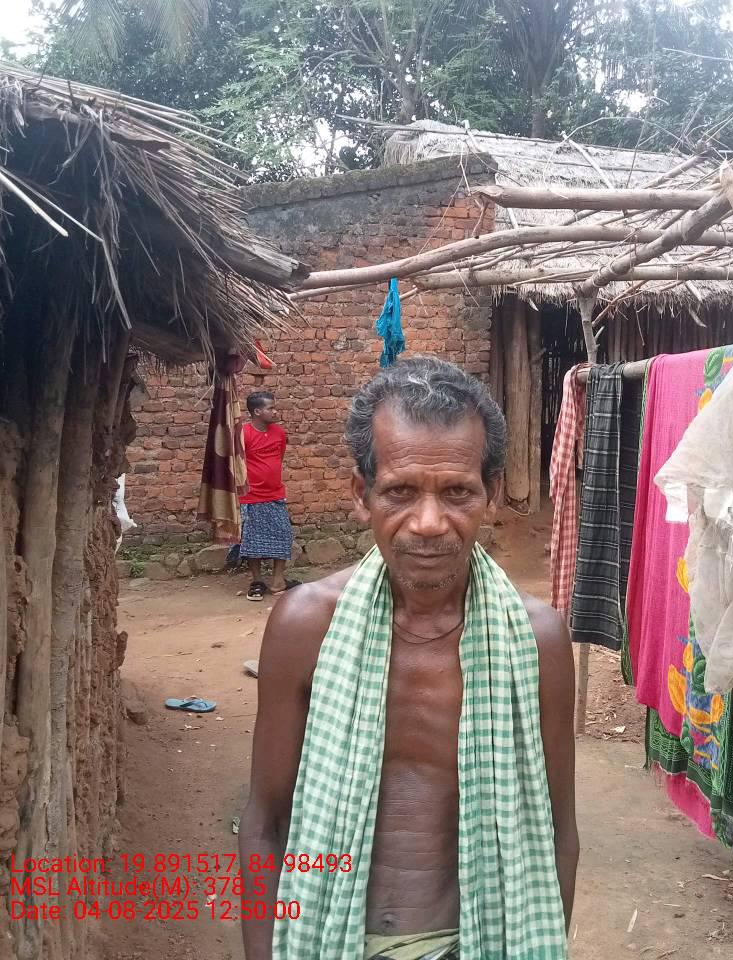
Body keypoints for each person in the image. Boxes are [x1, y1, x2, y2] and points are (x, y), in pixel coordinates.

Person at [240, 358, 578, 960]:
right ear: (361, 494)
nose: (428, 523)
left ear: (490, 494)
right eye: (400, 492)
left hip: (481, 944)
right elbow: (264, 824)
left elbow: (557, 834)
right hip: (327, 941)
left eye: (457, 492)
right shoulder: (305, 627)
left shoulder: (537, 640)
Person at [241, 391, 298, 600]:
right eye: (270, 408)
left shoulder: (279, 433)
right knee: (252, 541)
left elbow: (279, 457)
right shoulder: (243, 434)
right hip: (251, 496)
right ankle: (257, 581)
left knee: (283, 535)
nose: (275, 411)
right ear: (257, 411)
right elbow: (237, 463)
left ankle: (278, 581)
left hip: (275, 494)